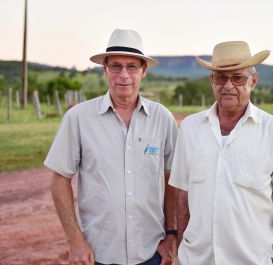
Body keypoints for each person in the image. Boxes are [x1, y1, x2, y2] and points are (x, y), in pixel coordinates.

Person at [45, 29, 178, 265]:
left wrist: (171, 234)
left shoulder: (163, 119)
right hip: (97, 254)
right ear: (105, 69)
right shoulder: (78, 118)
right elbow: (59, 179)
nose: (123, 75)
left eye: (132, 67)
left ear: (143, 71)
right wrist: (75, 241)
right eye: (115, 66)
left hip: (150, 254)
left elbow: (172, 180)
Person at [169, 41, 273, 265]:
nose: (228, 85)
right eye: (221, 77)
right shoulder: (190, 128)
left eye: (238, 78)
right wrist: (184, 251)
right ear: (212, 81)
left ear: (253, 81)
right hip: (197, 260)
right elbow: (182, 197)